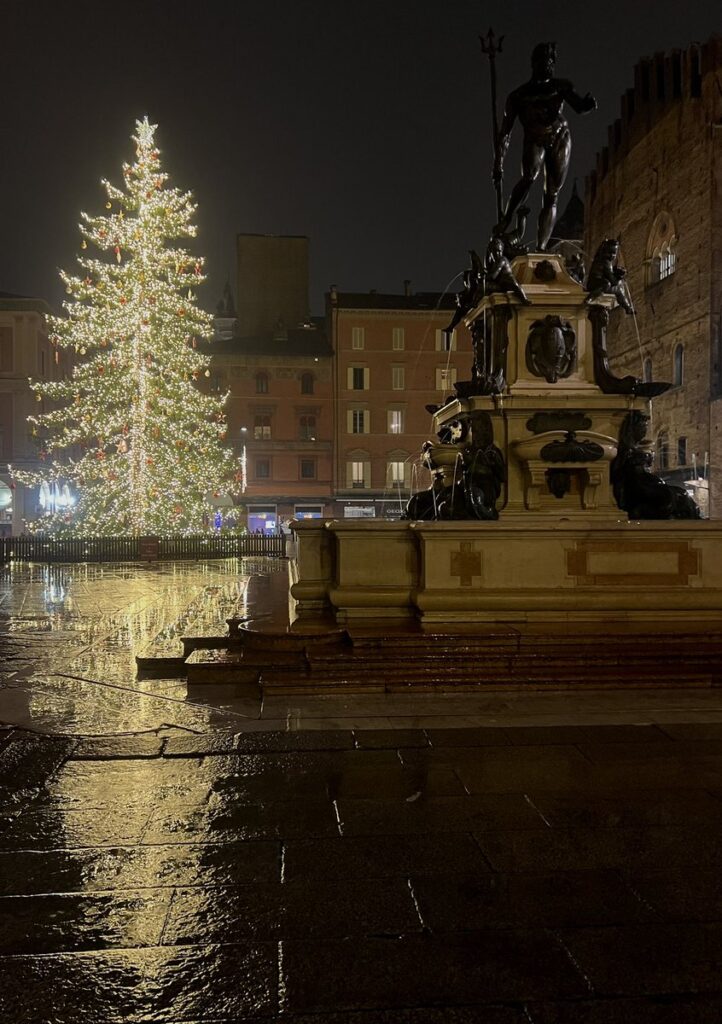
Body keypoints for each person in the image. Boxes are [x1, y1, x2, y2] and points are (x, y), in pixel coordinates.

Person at [494, 42, 596, 250]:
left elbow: (578, 107)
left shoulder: (561, 86)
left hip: (560, 138)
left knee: (552, 193)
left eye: (552, 62)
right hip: (534, 138)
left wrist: (587, 105)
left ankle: (541, 248)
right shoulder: (518, 96)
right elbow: (505, 133)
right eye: (544, 61)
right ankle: (506, 218)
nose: (549, 66)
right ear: (534, 64)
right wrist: (498, 163)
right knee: (528, 177)